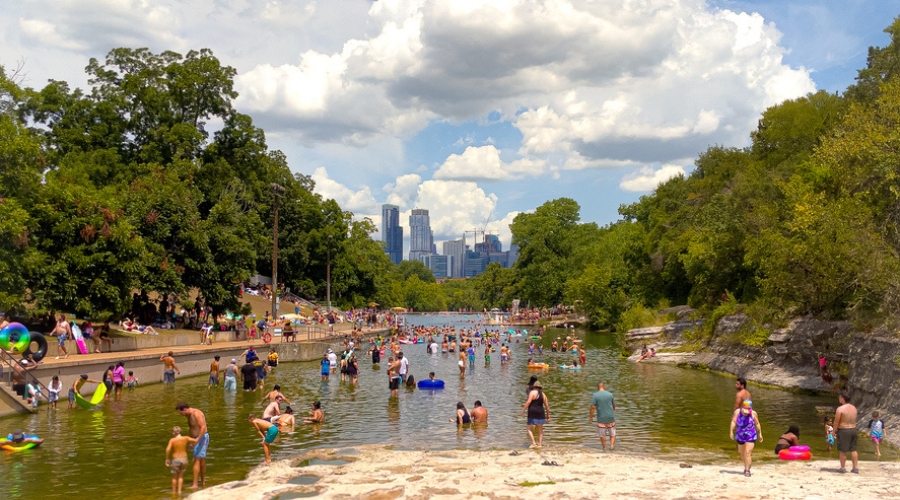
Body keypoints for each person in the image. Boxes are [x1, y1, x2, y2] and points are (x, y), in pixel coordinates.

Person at [175, 402, 209, 489]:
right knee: (201, 460)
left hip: (201, 438)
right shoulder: (189, 416)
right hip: (196, 438)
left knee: (196, 460)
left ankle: (195, 485)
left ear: (185, 410)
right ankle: (202, 482)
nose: (181, 415)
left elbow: (203, 427)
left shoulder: (196, 413)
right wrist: (190, 441)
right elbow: (192, 428)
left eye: (181, 413)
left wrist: (197, 440)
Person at [730, 400, 763, 477]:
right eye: (745, 408)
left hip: (751, 435)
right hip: (740, 435)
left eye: (748, 408)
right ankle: (746, 464)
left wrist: (760, 434)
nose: (746, 410)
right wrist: (731, 431)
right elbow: (733, 422)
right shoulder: (737, 412)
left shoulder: (753, 414)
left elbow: (757, 424)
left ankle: (747, 470)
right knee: (741, 452)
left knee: (748, 452)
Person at [165, 426, 198, 495]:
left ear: (174, 433)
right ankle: (179, 492)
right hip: (184, 459)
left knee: (174, 477)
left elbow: (168, 450)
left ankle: (174, 492)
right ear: (180, 432)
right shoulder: (185, 438)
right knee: (181, 476)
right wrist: (191, 445)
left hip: (176, 460)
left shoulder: (172, 440)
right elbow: (196, 441)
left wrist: (167, 458)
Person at [834, 391, 859, 473]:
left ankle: (843, 468)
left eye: (840, 397)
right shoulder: (854, 408)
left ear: (843, 398)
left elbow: (836, 422)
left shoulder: (840, 409)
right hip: (853, 429)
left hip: (844, 430)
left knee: (843, 450)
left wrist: (833, 432)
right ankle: (855, 468)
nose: (839, 398)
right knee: (853, 449)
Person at [521, 380, 549, 448]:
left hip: (532, 411)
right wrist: (548, 414)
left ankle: (533, 443)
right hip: (541, 412)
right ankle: (539, 444)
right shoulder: (543, 394)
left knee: (529, 428)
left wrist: (523, 409)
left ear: (534, 387)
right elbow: (547, 406)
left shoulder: (532, 392)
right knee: (540, 428)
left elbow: (528, 402)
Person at [589, 382, 616, 451]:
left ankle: (604, 448)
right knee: (612, 433)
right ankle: (612, 446)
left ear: (597, 387)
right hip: (610, 417)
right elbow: (613, 405)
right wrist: (613, 411)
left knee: (602, 434)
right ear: (604, 387)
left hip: (601, 418)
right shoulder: (610, 394)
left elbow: (592, 407)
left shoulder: (595, 395)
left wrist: (591, 416)